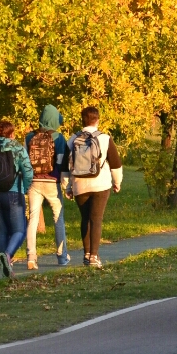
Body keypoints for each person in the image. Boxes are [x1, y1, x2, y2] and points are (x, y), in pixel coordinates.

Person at [61, 107, 123, 269]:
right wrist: (117, 182)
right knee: (96, 219)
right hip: (101, 184)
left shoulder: (72, 139)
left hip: (79, 184)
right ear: (97, 120)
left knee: (85, 218)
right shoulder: (104, 138)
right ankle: (94, 256)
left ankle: (87, 254)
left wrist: (67, 186)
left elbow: (64, 166)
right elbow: (115, 164)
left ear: (82, 120)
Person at [0, 120, 33, 278]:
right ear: (11, 133)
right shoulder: (18, 148)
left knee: (2, 230)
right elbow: (28, 171)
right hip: (13, 194)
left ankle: (5, 269)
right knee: (19, 230)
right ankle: (8, 255)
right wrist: (24, 189)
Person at [23, 105, 71, 269]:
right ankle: (62, 256)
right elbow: (61, 162)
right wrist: (64, 183)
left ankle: (31, 256)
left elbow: (25, 161)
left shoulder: (30, 137)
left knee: (33, 218)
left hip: (34, 183)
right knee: (58, 218)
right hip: (52, 181)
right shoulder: (59, 138)